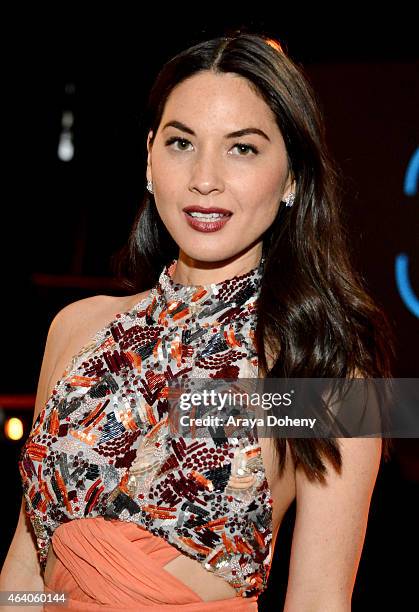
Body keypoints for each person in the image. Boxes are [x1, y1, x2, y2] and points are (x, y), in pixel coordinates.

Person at [1, 31, 395, 611]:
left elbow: (317, 600)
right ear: (149, 158)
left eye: (243, 148)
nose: (204, 177)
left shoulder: (328, 377)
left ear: (292, 178)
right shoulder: (74, 329)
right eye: (182, 142)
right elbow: (25, 571)